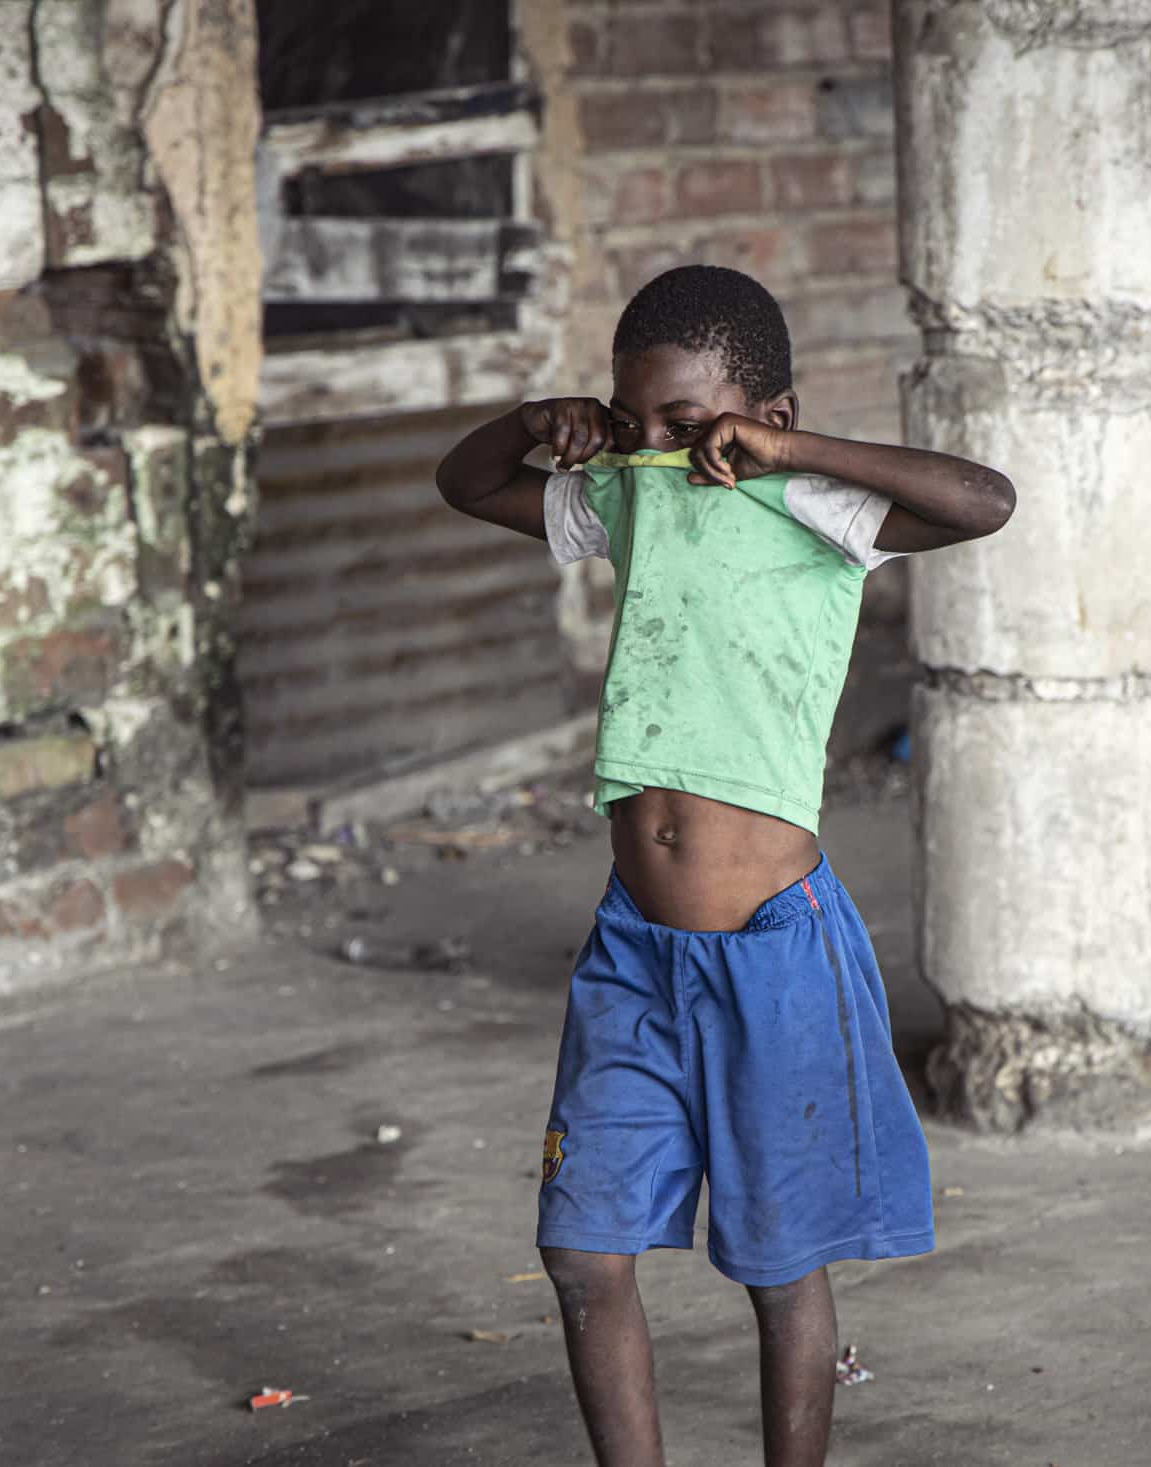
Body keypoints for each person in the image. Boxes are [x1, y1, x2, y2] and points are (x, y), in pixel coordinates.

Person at [434, 265, 1015, 1466]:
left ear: (769, 416)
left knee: (777, 1260)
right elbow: (468, 481)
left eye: (685, 424)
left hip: (774, 948)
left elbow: (982, 499)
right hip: (634, 950)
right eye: (633, 416)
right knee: (583, 1252)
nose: (652, 444)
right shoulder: (623, 494)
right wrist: (540, 424)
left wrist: (788, 454)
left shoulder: (815, 503)